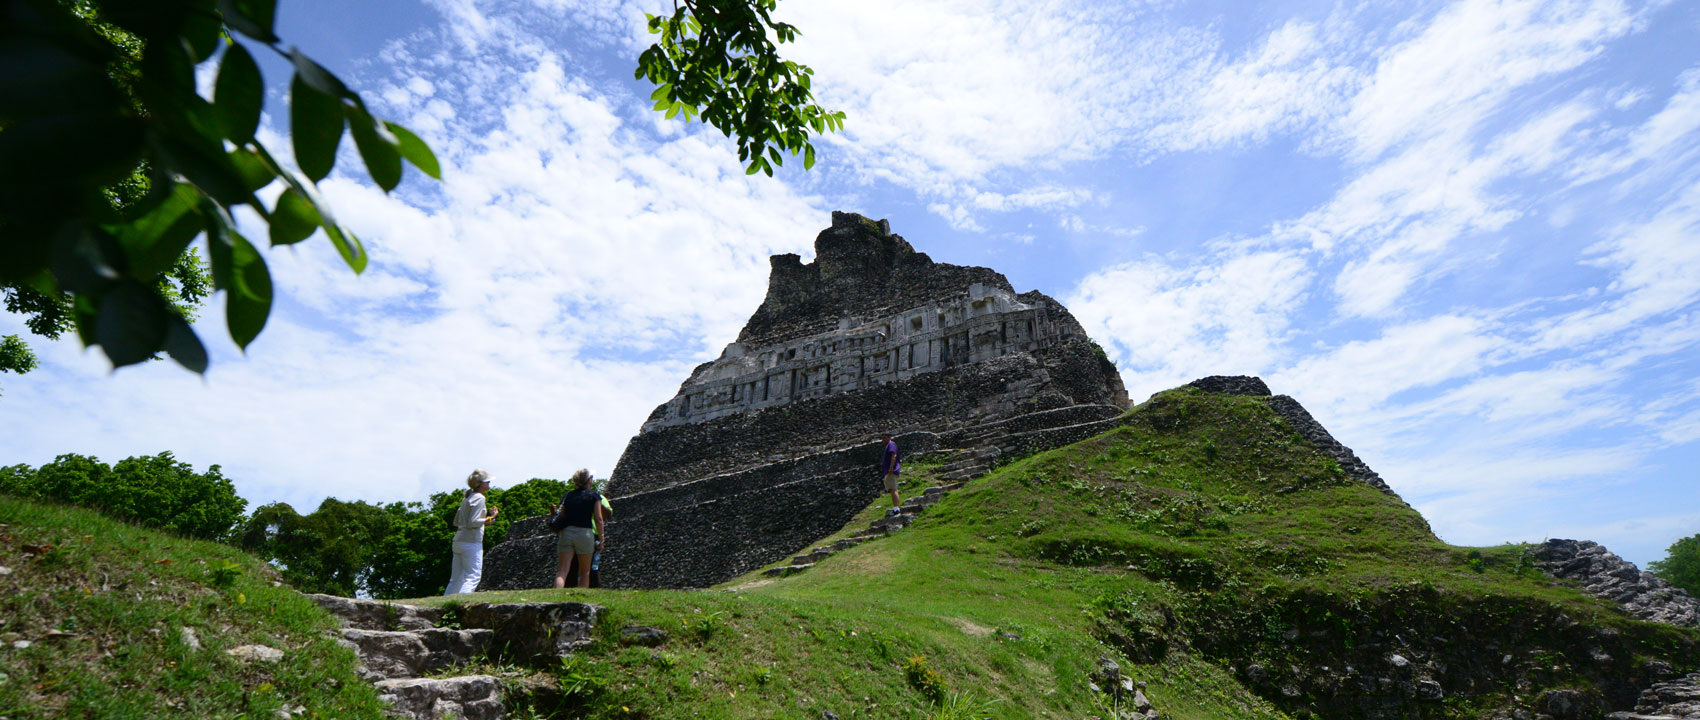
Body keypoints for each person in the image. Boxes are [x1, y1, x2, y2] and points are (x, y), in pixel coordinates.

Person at [445, 469, 499, 595]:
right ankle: (462, 604)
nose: (489, 483)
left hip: (459, 540)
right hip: (471, 542)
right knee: (473, 576)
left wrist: (488, 520)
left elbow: (458, 521)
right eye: (487, 481)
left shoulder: (467, 498)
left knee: (456, 579)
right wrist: (492, 517)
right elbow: (473, 522)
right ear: (480, 484)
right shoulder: (480, 498)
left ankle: (446, 602)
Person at [550, 469, 605, 589]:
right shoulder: (594, 496)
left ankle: (554, 597)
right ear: (588, 480)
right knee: (585, 572)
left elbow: (562, 516)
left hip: (567, 532)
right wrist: (601, 539)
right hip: (585, 533)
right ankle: (580, 599)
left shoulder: (568, 495)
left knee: (562, 571)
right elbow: (598, 518)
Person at [564, 494, 614, 587]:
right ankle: (570, 590)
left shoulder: (597, 497)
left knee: (592, 567)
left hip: (589, 533)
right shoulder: (572, 496)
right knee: (572, 566)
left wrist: (597, 504)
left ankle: (593, 588)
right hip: (577, 532)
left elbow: (608, 514)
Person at [879, 433, 902, 513]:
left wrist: (891, 468)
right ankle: (895, 506)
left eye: (884, 438)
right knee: (891, 489)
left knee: (893, 489)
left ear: (889, 437)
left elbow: (894, 455)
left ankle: (896, 508)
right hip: (888, 471)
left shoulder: (891, 444)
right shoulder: (888, 446)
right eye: (882, 438)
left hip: (890, 470)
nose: (883, 440)